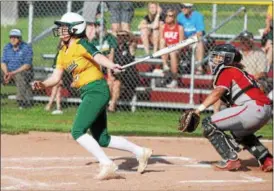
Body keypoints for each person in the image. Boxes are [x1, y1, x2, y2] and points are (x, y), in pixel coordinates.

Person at [32, 12, 152, 180]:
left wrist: (112, 65)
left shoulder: (82, 44)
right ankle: (140, 151)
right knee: (103, 139)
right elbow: (56, 77)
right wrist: (43, 84)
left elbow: (98, 56)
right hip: (88, 92)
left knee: (77, 131)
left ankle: (106, 163)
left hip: (97, 89)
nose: (60, 30)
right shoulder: (62, 53)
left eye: (64, 27)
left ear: (75, 29)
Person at [192, 44, 273, 172]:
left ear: (228, 59)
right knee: (239, 133)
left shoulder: (227, 70)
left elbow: (217, 92)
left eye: (218, 57)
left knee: (208, 123)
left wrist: (198, 110)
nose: (214, 60)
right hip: (264, 110)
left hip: (252, 108)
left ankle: (231, 159)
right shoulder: (239, 71)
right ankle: (266, 159)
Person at [1, 29, 33, 109]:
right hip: (9, 72)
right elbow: (3, 62)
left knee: (19, 75)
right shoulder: (7, 47)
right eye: (11, 37)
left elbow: (27, 65)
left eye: (16, 37)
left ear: (20, 38)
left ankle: (21, 102)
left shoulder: (26, 48)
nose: (13, 39)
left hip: (23, 72)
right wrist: (6, 73)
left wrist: (13, 73)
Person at [108, 30, 139, 112]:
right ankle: (108, 105)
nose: (121, 38)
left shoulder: (130, 47)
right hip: (116, 75)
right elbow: (109, 62)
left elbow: (135, 40)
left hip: (128, 76)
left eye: (123, 36)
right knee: (111, 83)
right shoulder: (114, 48)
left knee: (117, 84)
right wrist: (110, 76)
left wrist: (128, 34)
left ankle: (112, 107)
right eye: (119, 36)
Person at [177, 3, 205, 74]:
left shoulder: (198, 16)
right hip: (183, 39)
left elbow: (200, 32)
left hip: (195, 39)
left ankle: (199, 66)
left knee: (199, 42)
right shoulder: (180, 16)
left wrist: (190, 38)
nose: (183, 9)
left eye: (185, 7)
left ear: (190, 8)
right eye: (181, 7)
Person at [160, 9, 184, 88]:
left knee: (172, 52)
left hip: (176, 50)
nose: (167, 17)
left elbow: (181, 44)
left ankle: (174, 80)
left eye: (170, 16)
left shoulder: (179, 28)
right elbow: (161, 40)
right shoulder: (163, 27)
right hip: (166, 50)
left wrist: (172, 47)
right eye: (166, 15)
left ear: (174, 18)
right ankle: (165, 65)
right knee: (162, 41)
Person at [261, 4, 273, 69]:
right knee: (269, 46)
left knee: (270, 47)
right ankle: (265, 67)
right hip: (272, 29)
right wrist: (267, 27)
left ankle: (266, 68)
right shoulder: (272, 5)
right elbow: (268, 18)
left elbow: (268, 18)